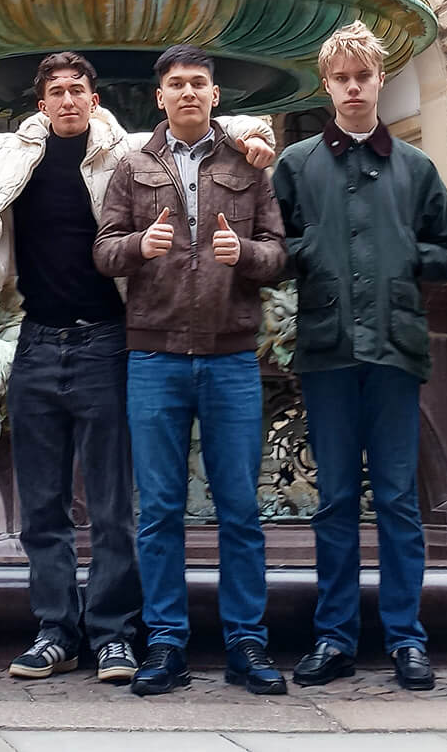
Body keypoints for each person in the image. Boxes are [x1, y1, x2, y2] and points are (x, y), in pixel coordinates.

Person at [0, 50, 275, 684]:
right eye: (57, 91)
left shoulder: (124, 153)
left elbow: (222, 133)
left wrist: (253, 136)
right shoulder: (9, 157)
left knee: (115, 506)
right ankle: (56, 630)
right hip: (37, 340)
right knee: (45, 506)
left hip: (111, 341)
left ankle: (114, 633)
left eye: (78, 90)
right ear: (41, 103)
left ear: (95, 99)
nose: (68, 100)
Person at [272, 21, 447, 693]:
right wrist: (313, 251)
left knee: (398, 501)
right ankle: (335, 637)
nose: (353, 88)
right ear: (326, 86)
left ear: (380, 80)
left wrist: (406, 254)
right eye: (342, 79)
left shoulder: (416, 167)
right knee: (334, 501)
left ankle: (407, 638)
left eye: (363, 77)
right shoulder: (297, 165)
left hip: (395, 350)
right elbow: (274, 244)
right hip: (326, 349)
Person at [93, 45, 288, 698]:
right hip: (155, 356)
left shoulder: (248, 165)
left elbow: (278, 252)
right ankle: (166, 643)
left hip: (231, 357)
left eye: (198, 83)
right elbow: (104, 250)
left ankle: (247, 642)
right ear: (160, 97)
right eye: (176, 84)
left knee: (240, 509)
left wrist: (246, 253)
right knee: (159, 511)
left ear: (215, 95)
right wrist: (137, 245)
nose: (188, 92)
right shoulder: (133, 166)